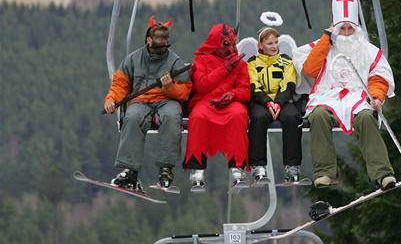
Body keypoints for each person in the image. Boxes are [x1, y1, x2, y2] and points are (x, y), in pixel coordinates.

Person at [303, 0, 397, 190]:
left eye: (349, 28)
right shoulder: (325, 46)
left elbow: (379, 78)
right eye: (342, 28)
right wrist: (326, 38)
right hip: (329, 96)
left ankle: (383, 174)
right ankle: (324, 173)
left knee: (366, 117)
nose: (346, 32)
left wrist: (377, 97)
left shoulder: (368, 50)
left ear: (356, 28)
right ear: (335, 28)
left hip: (358, 97)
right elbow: (310, 69)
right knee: (318, 116)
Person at [104, 15, 192, 192]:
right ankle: (130, 170)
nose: (163, 43)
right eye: (159, 39)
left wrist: (169, 87)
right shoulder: (133, 59)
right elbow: (120, 84)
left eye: (166, 39)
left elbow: (184, 92)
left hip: (167, 100)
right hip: (141, 100)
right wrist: (112, 99)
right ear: (149, 39)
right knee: (133, 116)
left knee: (171, 116)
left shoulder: (174, 61)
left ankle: (166, 169)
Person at [183, 23, 250, 189]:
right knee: (198, 117)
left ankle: (237, 167)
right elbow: (203, 86)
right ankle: (197, 168)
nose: (232, 49)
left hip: (231, 103)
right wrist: (225, 68)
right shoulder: (201, 60)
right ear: (216, 44)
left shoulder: (240, 64)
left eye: (233, 44)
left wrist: (233, 95)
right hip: (205, 102)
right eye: (227, 44)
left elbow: (245, 91)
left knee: (238, 114)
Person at [247, 27, 303, 183]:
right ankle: (258, 166)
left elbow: (288, 83)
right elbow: (253, 84)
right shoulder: (252, 63)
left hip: (282, 101)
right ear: (261, 45)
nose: (274, 46)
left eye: (276, 42)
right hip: (261, 102)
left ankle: (292, 166)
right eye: (269, 43)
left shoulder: (286, 61)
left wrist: (278, 102)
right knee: (258, 118)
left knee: (292, 117)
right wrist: (267, 102)